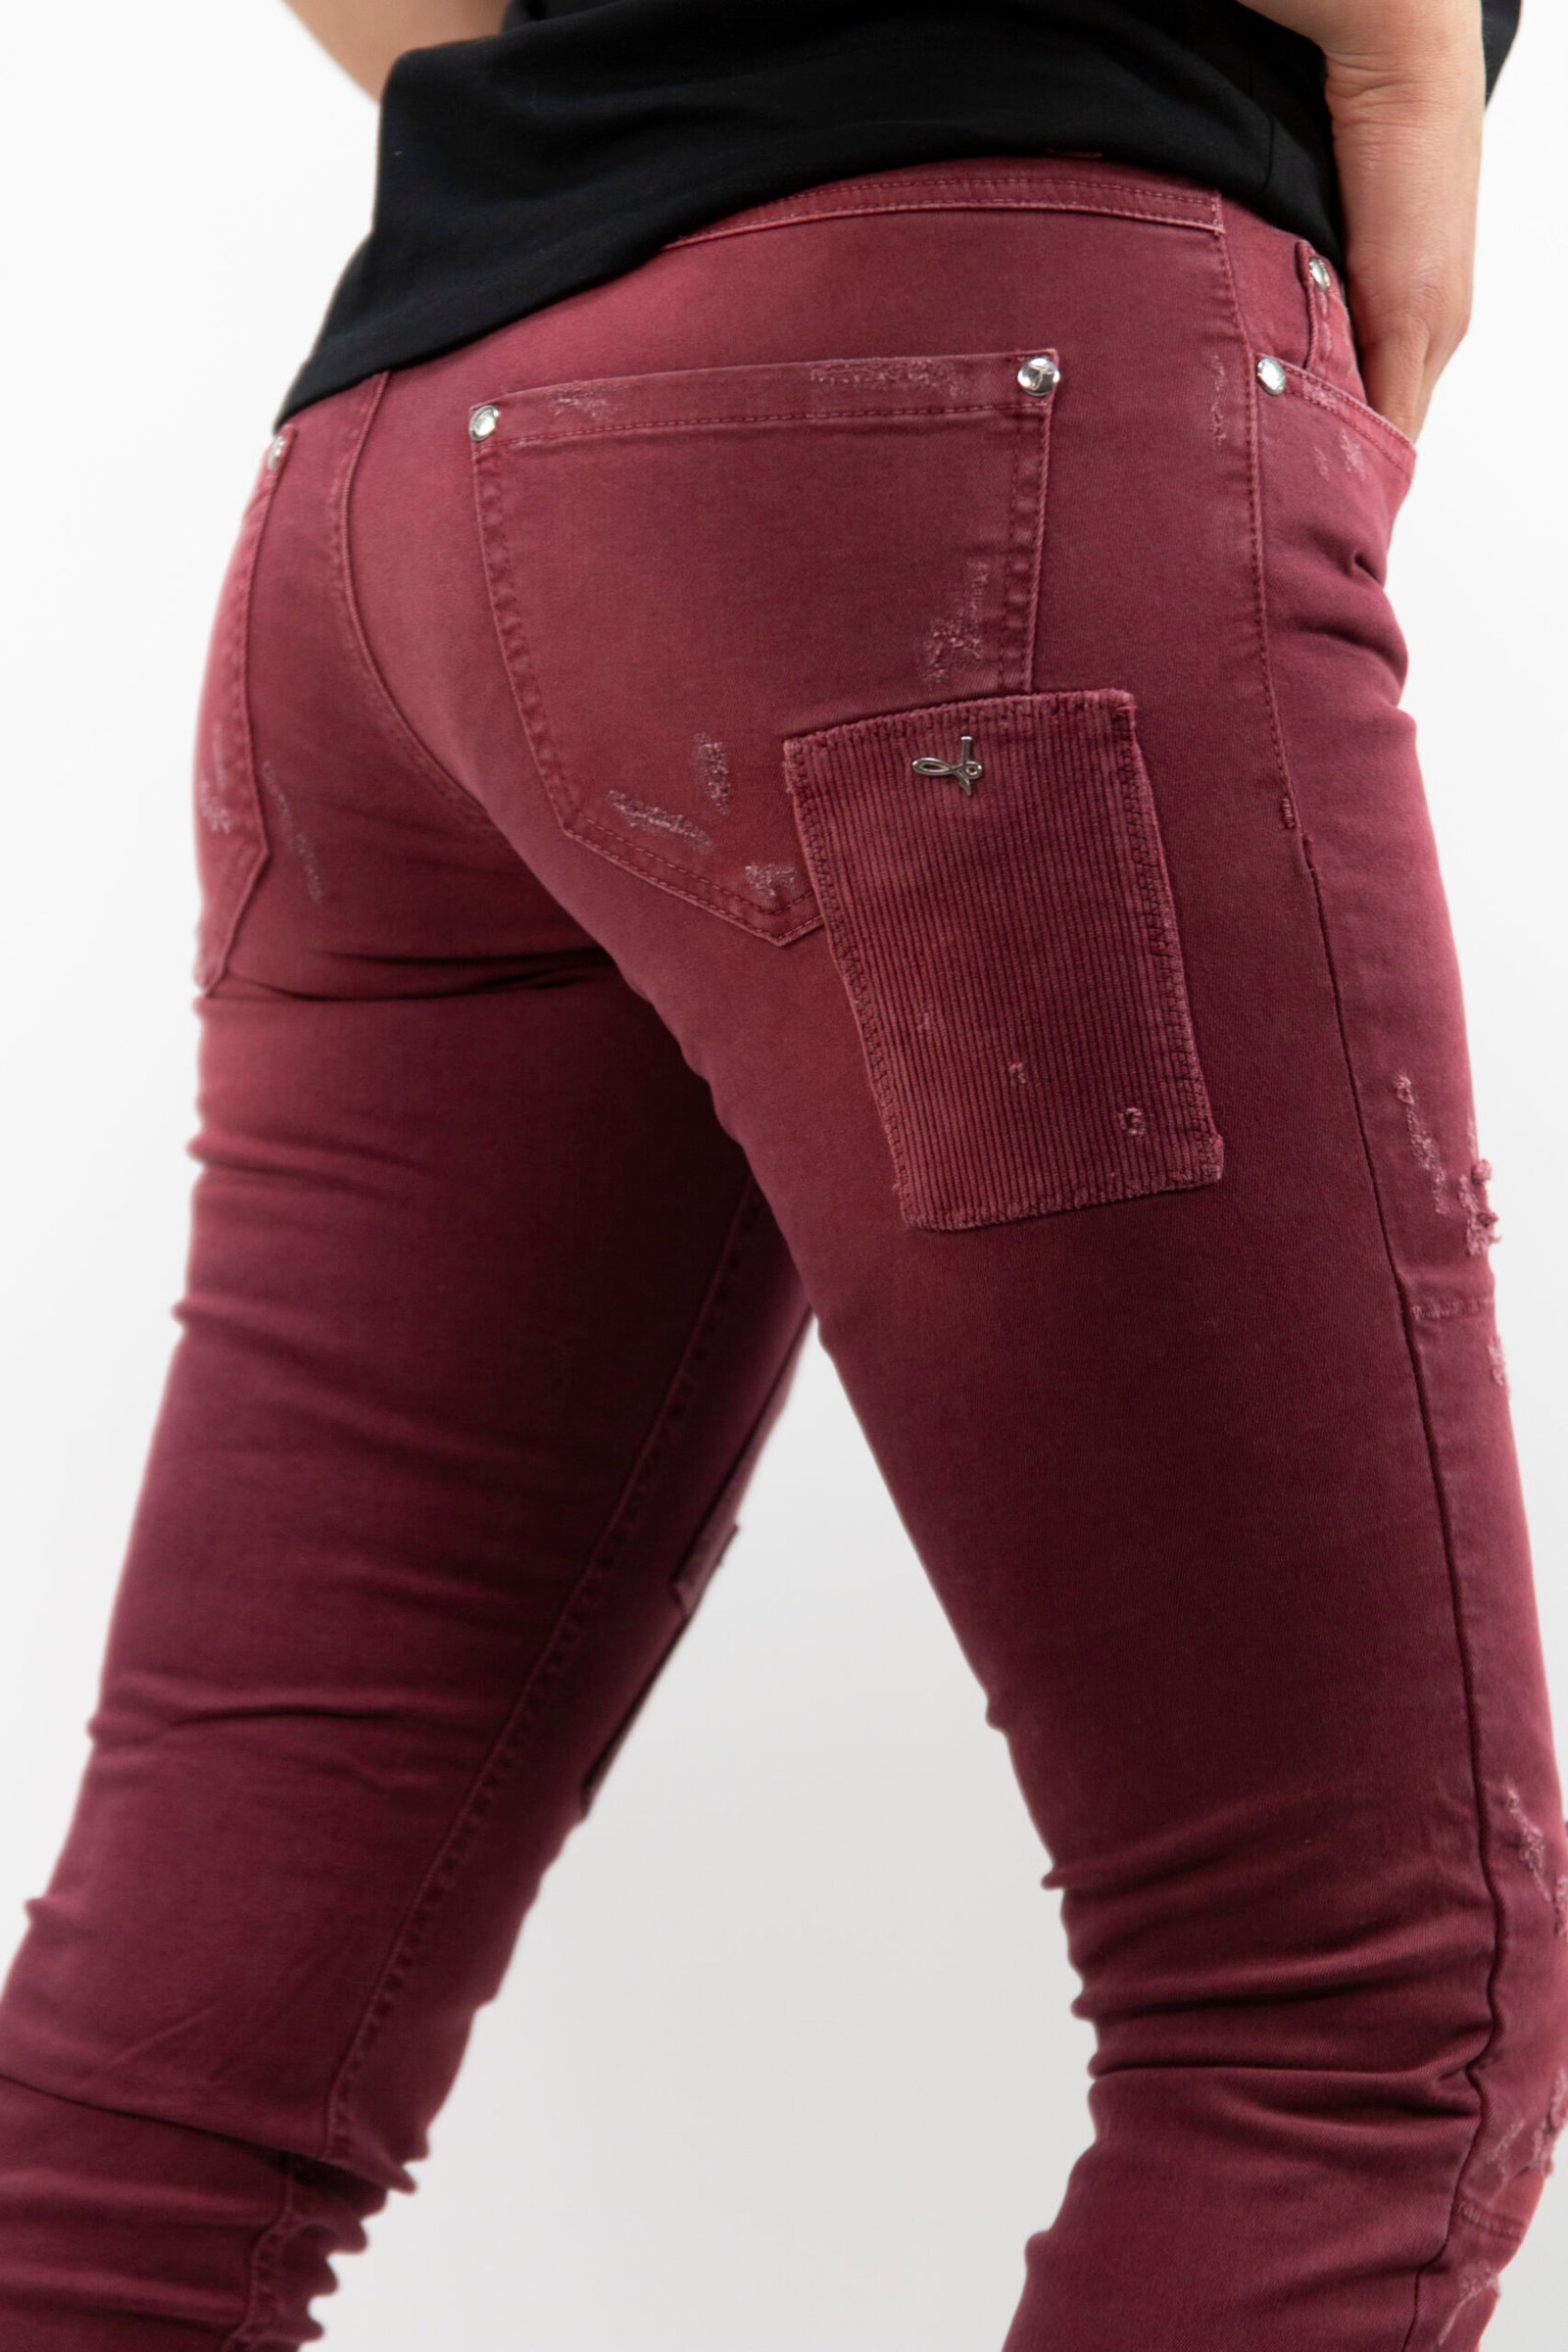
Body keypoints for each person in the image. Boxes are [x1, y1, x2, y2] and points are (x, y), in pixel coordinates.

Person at [0, 2, 1562, 2346]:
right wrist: (1399, 78)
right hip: (925, 451)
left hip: (401, 507)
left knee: (161, 2106)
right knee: (1352, 2015)